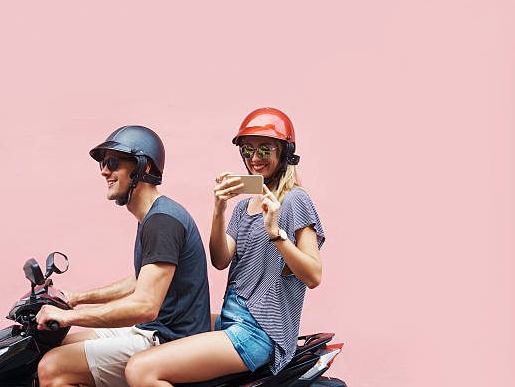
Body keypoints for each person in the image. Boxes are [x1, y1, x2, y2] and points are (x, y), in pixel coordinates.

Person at [124, 108, 325, 386]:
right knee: (165, 326)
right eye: (247, 150)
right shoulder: (243, 207)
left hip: (258, 331)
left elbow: (313, 275)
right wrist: (219, 208)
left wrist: (276, 232)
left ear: (284, 153)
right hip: (232, 319)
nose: (255, 159)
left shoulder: (295, 201)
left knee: (140, 370)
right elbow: (220, 259)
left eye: (265, 150)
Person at [35, 125, 211, 387]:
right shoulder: (154, 215)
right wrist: (77, 299)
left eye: (113, 162)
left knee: (53, 367)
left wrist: (69, 317)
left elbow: (145, 306)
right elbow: (140, 280)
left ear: (144, 167)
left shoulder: (162, 221)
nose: (105, 170)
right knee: (59, 345)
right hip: (154, 331)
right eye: (103, 164)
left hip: (168, 340)